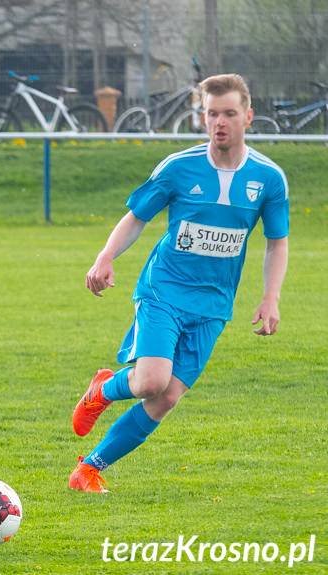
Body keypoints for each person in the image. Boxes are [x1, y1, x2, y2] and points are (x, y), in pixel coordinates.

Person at [69, 73, 289, 493]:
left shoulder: (269, 178)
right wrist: (105, 257)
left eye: (228, 113)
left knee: (166, 397)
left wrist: (270, 297)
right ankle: (103, 389)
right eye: (211, 113)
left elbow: (276, 243)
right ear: (202, 117)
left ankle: (90, 468)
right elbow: (137, 217)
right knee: (151, 380)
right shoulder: (179, 167)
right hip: (164, 290)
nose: (219, 122)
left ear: (248, 116)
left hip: (213, 305)